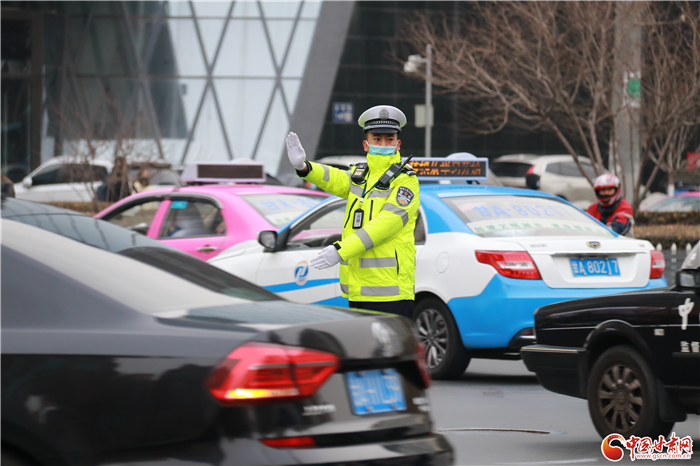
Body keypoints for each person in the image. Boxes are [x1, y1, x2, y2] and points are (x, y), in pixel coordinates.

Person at [286, 105, 419, 319]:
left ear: (398, 144)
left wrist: (341, 250)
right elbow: (334, 178)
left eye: (389, 139)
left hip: (390, 291)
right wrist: (304, 167)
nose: (383, 144)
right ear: (366, 144)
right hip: (358, 288)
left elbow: (386, 225)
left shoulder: (405, 180)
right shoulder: (361, 175)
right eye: (377, 139)